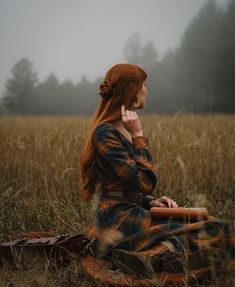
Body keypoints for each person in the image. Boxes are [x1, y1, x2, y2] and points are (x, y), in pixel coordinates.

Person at [79, 63, 233, 282]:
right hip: (116, 220)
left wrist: (150, 202)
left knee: (214, 224)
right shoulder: (105, 133)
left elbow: (134, 187)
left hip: (132, 211)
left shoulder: (122, 128)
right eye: (144, 85)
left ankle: (148, 257)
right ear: (131, 92)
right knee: (210, 230)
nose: (146, 90)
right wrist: (139, 136)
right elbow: (143, 181)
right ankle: (149, 258)